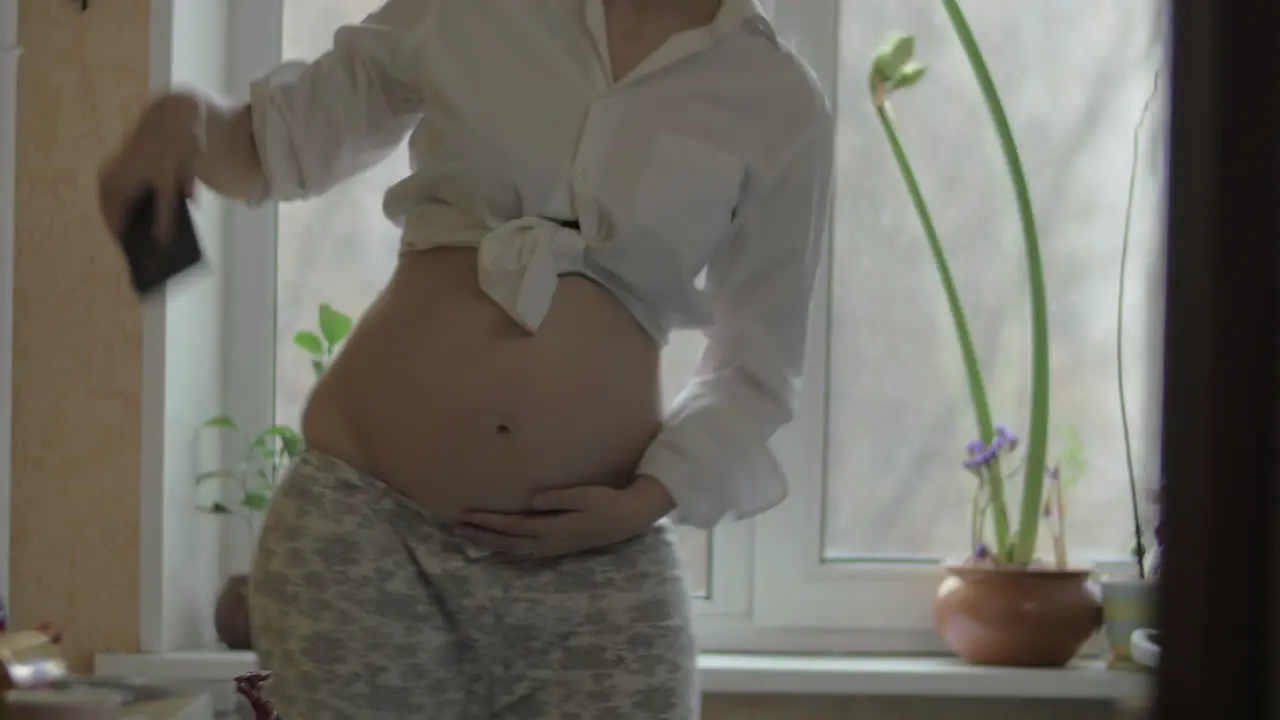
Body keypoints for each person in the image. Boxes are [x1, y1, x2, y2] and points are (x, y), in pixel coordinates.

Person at [98, 0, 833, 717]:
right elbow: (277, 142)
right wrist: (184, 121)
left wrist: (648, 500)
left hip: (598, 565)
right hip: (368, 537)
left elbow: (757, 370)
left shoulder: (777, 98)